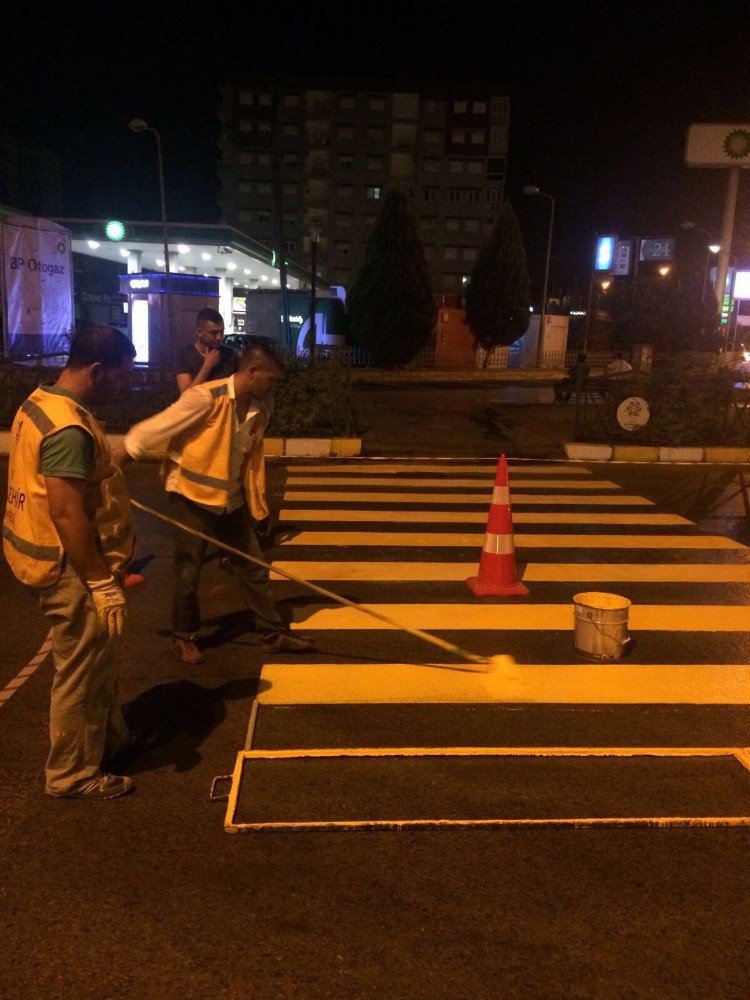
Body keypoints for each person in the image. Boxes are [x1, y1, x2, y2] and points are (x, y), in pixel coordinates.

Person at [2, 326, 139, 800]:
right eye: (122, 377)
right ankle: (72, 775)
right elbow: (64, 510)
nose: (126, 386)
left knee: (98, 660)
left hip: (41, 555)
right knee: (81, 669)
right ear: (97, 370)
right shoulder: (68, 429)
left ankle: (109, 739)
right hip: (72, 570)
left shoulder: (40, 403)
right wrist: (101, 581)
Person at [120, 338, 314, 664]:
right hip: (190, 498)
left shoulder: (260, 408)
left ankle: (271, 633)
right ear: (252, 371)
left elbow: (249, 459)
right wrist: (117, 460)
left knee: (253, 567)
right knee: (188, 572)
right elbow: (154, 430)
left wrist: (257, 505)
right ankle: (184, 636)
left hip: (230, 502)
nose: (275, 386)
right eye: (272, 379)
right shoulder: (206, 399)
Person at [175, 307, 239, 393]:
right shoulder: (184, 354)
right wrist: (207, 366)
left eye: (221, 332)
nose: (219, 337)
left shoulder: (231, 354)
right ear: (199, 332)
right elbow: (186, 396)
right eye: (214, 333)